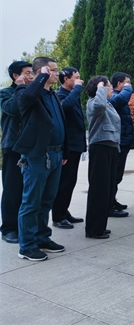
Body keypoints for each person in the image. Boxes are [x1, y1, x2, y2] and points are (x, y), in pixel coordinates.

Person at [13, 57, 68, 261]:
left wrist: (64, 152)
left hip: (56, 154)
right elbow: (25, 100)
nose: (57, 73)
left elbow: (61, 123)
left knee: (46, 201)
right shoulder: (29, 93)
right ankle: (26, 246)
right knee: (31, 202)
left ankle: (42, 238)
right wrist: (41, 77)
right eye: (53, 70)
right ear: (41, 72)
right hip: (38, 156)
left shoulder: (53, 95)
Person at [1, 61, 34, 244]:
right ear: (16, 76)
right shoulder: (5, 93)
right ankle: (8, 228)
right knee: (12, 189)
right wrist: (20, 87)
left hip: (31, 148)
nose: (31, 76)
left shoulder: (31, 92)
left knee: (28, 190)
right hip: (12, 146)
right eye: (27, 73)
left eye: (31, 73)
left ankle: (24, 227)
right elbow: (12, 109)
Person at [85, 76, 120, 239]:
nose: (111, 88)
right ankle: (93, 229)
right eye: (108, 86)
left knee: (107, 189)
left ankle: (100, 225)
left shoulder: (108, 103)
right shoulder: (94, 102)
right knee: (99, 189)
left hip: (111, 147)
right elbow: (99, 106)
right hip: (100, 147)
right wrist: (101, 88)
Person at [52, 67, 86, 229]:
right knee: (64, 182)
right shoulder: (60, 95)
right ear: (66, 79)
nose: (80, 80)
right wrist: (77, 89)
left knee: (71, 181)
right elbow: (64, 108)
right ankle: (58, 216)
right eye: (76, 77)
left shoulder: (72, 95)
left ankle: (64, 211)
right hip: (68, 146)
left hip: (76, 145)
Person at [107, 72, 134, 217]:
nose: (130, 85)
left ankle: (113, 200)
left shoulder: (118, 96)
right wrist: (128, 88)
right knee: (114, 175)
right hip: (119, 141)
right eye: (127, 82)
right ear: (119, 83)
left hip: (124, 140)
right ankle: (109, 204)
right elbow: (120, 100)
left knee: (117, 175)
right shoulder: (114, 97)